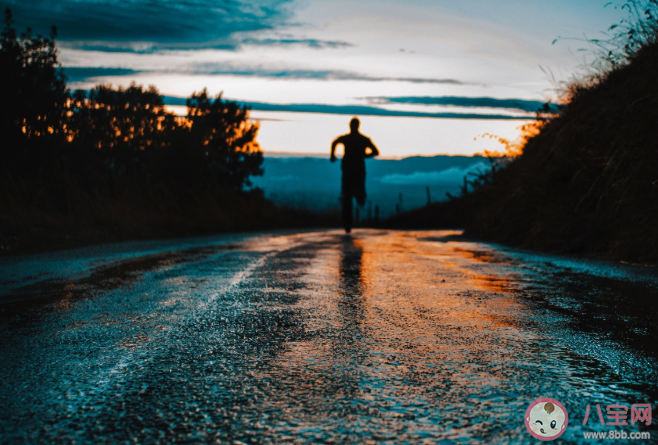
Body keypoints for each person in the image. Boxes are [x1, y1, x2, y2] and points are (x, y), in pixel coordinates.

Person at [331, 117, 380, 232]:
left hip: (349, 170)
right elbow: (375, 151)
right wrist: (363, 155)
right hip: (356, 170)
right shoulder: (363, 139)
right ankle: (348, 222)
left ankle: (348, 221)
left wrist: (332, 155)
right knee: (349, 196)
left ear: (350, 125)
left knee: (347, 196)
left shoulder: (348, 138)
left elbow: (335, 142)